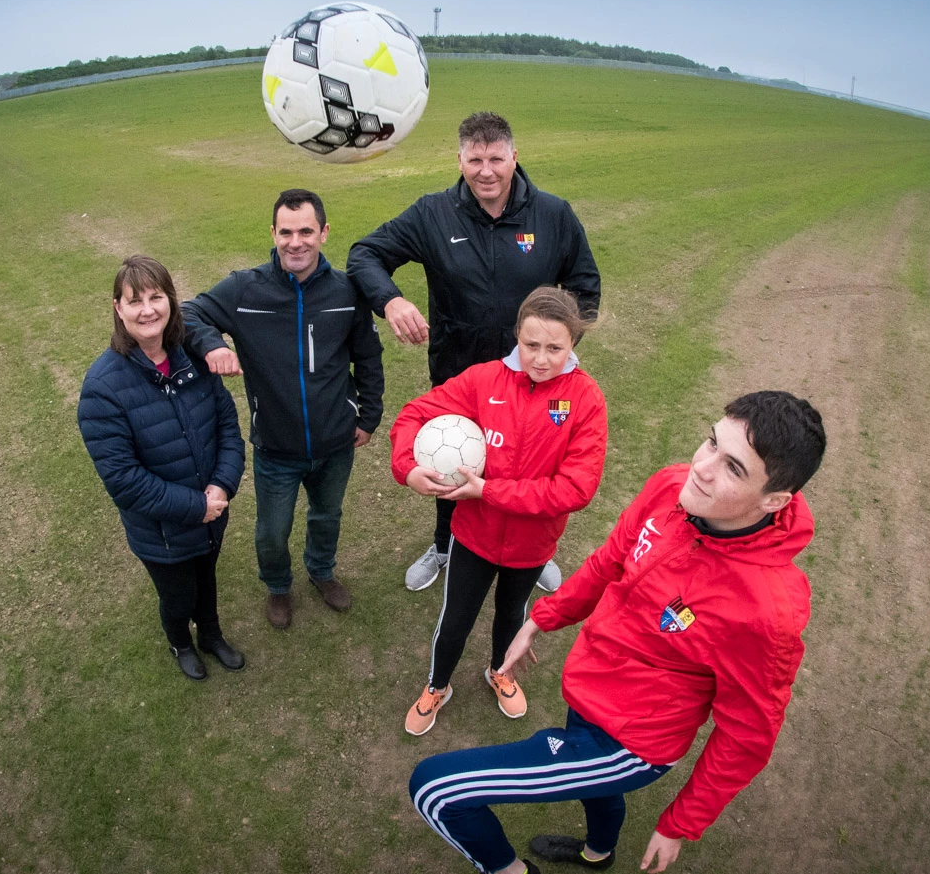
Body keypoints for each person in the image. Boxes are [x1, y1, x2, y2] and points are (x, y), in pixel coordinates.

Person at [409, 391, 826, 874]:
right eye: (712, 441)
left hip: (631, 743)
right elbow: (611, 562)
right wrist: (542, 619)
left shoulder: (768, 611)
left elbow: (747, 735)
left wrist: (679, 823)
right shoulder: (672, 486)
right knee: (596, 795)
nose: (702, 467)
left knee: (436, 788)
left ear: (775, 500)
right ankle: (598, 854)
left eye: (733, 468)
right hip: (590, 686)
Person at [348, 111, 602, 595]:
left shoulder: (553, 215)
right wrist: (391, 299)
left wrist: (553, 351)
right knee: (451, 455)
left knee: (529, 463)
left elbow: (585, 286)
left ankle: (532, 554)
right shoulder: (432, 213)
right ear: (460, 159)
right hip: (459, 371)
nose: (486, 171)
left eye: (496, 159)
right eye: (475, 159)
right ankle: (446, 544)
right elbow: (365, 253)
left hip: (535, 379)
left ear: (514, 157)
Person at [389, 287, 606, 737]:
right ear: (516, 336)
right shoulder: (484, 380)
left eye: (555, 348)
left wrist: (489, 491)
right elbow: (414, 414)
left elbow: (577, 488)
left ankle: (498, 672)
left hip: (532, 545)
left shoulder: (585, 399)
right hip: (473, 537)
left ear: (572, 345)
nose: (541, 359)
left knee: (512, 617)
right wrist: (407, 469)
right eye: (530, 345)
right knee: (455, 622)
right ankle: (437, 685)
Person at [182, 189, 384, 630]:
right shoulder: (243, 288)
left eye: (306, 231)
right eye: (286, 232)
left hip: (336, 443)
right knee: (272, 532)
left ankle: (322, 571)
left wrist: (368, 416)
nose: (296, 242)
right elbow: (187, 313)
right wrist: (212, 343)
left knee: (327, 516)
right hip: (275, 446)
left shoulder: (347, 291)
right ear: (273, 233)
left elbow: (368, 356)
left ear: (324, 233)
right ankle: (277, 586)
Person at [78, 255, 247, 681]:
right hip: (163, 533)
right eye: (135, 301)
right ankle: (181, 642)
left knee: (207, 583)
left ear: (171, 300)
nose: (148, 309)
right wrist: (196, 506)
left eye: (156, 297)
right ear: (118, 308)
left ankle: (210, 634)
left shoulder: (192, 357)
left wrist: (222, 486)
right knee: (177, 596)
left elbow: (227, 425)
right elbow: (123, 481)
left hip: (211, 514)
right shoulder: (102, 387)